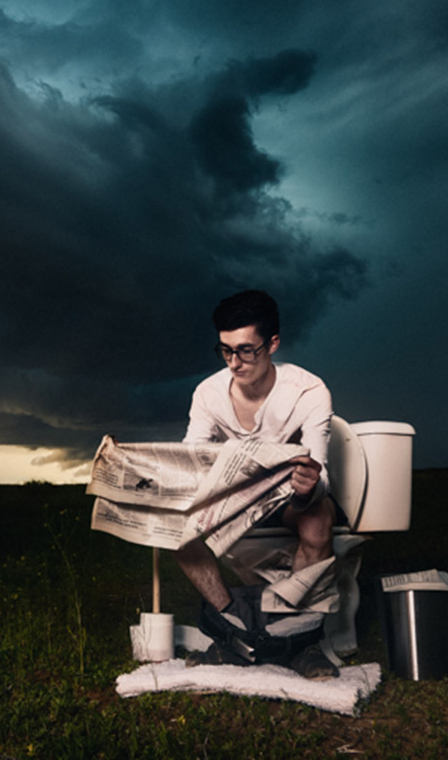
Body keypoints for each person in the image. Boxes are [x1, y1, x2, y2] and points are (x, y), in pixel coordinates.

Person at [173, 289, 341, 677]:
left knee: (317, 519)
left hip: (288, 503)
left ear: (273, 344)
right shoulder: (208, 393)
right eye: (226, 350)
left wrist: (309, 485)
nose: (235, 362)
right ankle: (234, 626)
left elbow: (322, 473)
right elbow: (192, 457)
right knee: (173, 529)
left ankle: (299, 641)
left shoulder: (309, 391)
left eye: (246, 350)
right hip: (234, 503)